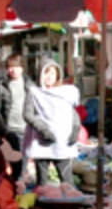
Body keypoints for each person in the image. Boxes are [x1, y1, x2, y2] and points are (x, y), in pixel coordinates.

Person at [23, 57, 80, 186]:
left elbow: (72, 113)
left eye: (52, 73)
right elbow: (27, 115)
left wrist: (75, 130)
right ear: (40, 75)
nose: (49, 77)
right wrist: (44, 130)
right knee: (42, 184)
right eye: (46, 73)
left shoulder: (66, 93)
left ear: (58, 75)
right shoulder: (34, 93)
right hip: (41, 144)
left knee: (67, 183)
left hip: (62, 144)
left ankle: (70, 200)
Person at [0, 54, 34, 182]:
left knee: (23, 164)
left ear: (22, 68)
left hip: (26, 129)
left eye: (16, 66)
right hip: (9, 131)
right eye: (10, 67)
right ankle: (14, 186)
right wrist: (4, 130)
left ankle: (18, 185)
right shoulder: (0, 86)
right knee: (15, 165)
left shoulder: (30, 85)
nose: (13, 70)